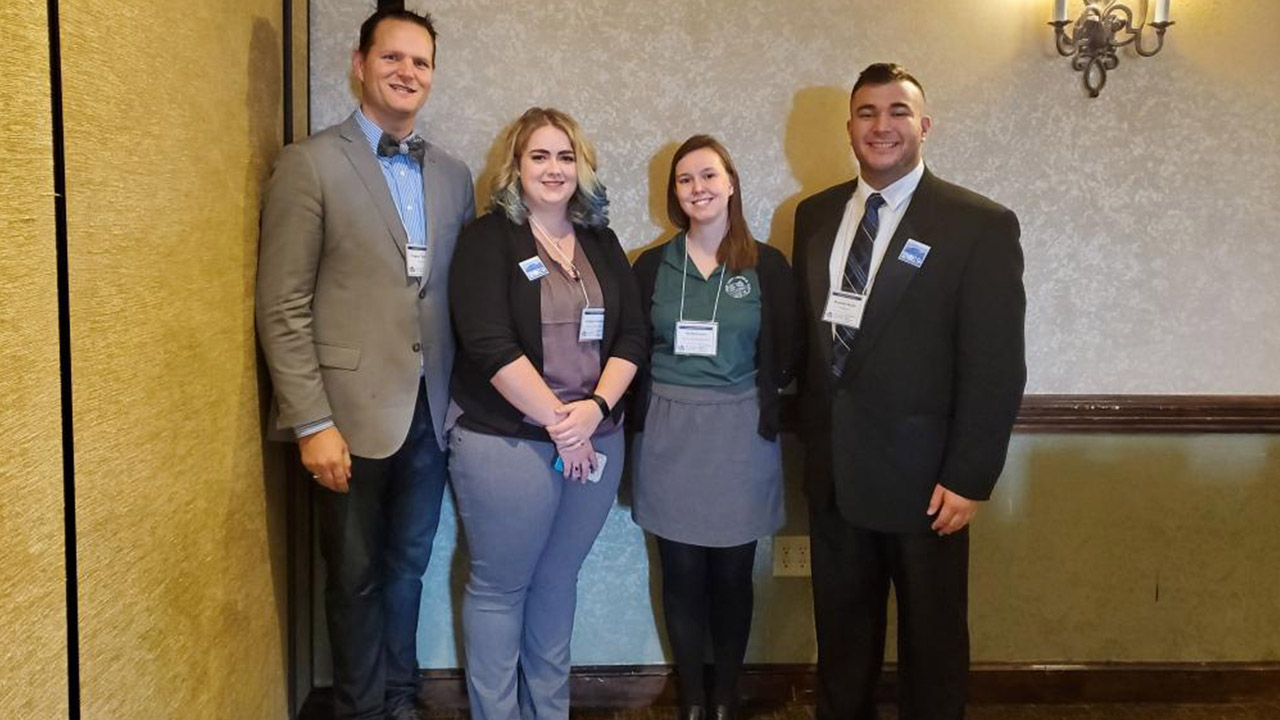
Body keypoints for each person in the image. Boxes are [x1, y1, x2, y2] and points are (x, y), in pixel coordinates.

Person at [256, 8, 474, 719]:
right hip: (345, 418)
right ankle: (362, 708)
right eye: (394, 58)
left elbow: (450, 296)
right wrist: (311, 421)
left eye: (422, 63)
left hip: (430, 412)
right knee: (352, 576)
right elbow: (282, 305)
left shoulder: (452, 175)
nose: (408, 72)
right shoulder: (310, 162)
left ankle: (402, 700)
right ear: (359, 63)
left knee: (407, 568)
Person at [792, 63, 1026, 720]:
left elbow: (997, 364)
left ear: (923, 125)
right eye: (867, 112)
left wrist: (971, 475)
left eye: (898, 111)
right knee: (841, 643)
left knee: (933, 647)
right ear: (850, 128)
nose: (882, 125)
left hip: (929, 485)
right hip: (835, 476)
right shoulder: (813, 216)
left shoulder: (976, 224)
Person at [447, 107, 646, 720]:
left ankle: (549, 712)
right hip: (507, 442)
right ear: (515, 166)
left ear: (582, 168)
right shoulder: (487, 239)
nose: (554, 169)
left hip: (598, 437)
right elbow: (488, 343)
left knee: (558, 580)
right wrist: (564, 425)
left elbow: (633, 337)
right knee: (501, 589)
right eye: (539, 156)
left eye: (566, 157)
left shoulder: (601, 241)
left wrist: (595, 410)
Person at [630, 135, 799, 720]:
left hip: (740, 432)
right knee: (679, 572)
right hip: (669, 430)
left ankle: (725, 696)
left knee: (731, 573)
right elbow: (631, 348)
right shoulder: (652, 264)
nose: (697, 188)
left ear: (730, 183)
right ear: (674, 194)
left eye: (708, 175)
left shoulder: (768, 265)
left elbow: (790, 348)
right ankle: (692, 700)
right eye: (685, 180)